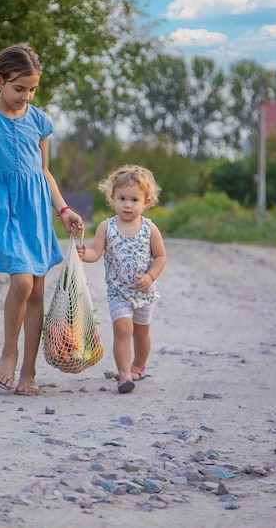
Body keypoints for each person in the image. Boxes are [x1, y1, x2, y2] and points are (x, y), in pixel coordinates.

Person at [0, 43, 83, 396]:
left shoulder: (39, 121)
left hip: (35, 210)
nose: (26, 95)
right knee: (23, 283)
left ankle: (29, 373)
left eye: (32, 89)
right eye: (19, 88)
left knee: (38, 289)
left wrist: (64, 210)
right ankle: (8, 354)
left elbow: (43, 172)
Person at [77, 164, 166, 394]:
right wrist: (84, 254)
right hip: (118, 292)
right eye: (122, 198)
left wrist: (150, 276)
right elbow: (96, 253)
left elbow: (160, 257)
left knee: (141, 332)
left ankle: (138, 364)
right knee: (122, 330)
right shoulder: (106, 227)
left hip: (144, 293)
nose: (128, 204)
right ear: (112, 198)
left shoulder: (149, 228)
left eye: (134, 200)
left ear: (146, 202)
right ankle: (124, 374)